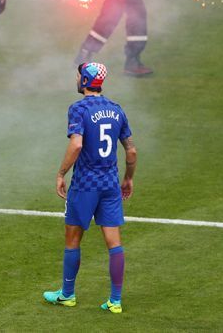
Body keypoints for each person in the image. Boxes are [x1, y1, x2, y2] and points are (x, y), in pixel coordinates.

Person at [43, 62, 137, 314]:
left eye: (77, 76)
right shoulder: (117, 110)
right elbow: (131, 150)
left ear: (84, 81)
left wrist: (61, 173)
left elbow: (76, 145)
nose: (75, 79)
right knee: (114, 242)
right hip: (109, 184)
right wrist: (127, 179)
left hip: (85, 184)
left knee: (73, 240)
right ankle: (115, 301)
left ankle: (67, 294)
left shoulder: (79, 109)